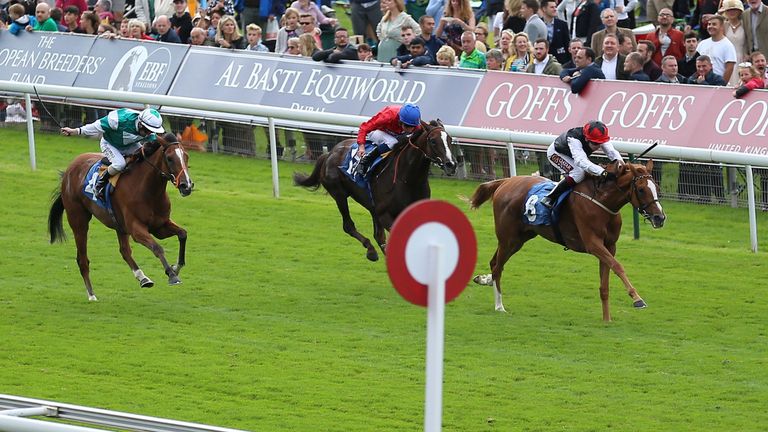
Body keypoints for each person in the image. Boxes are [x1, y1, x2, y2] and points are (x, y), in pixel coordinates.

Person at [60, 108, 166, 201]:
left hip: (130, 145)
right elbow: (95, 126)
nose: (149, 134)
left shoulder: (149, 129)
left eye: (151, 131)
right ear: (140, 124)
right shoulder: (118, 120)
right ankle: (100, 183)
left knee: (145, 161)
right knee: (120, 164)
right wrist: (75, 131)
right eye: (147, 130)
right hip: (110, 144)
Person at [540, 120, 624, 209]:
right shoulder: (574, 139)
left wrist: (622, 165)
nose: (598, 146)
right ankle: (550, 197)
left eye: (600, 143)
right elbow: (580, 161)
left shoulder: (600, 136)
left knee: (586, 172)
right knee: (578, 174)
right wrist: (603, 172)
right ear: (586, 139)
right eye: (595, 143)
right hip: (557, 154)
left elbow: (612, 152)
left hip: (574, 155)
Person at [355, 104, 422, 176]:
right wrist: (361, 146)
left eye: (413, 127)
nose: (410, 129)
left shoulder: (414, 122)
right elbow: (364, 127)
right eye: (407, 126)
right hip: (377, 131)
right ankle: (365, 161)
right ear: (400, 121)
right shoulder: (388, 116)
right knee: (393, 142)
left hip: (394, 134)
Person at [696, 14, 738, 83]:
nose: (711, 26)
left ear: (721, 27)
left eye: (714, 24)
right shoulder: (702, 44)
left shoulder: (728, 45)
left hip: (717, 84)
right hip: (701, 83)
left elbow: (729, 68)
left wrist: (721, 86)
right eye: (709, 24)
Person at [540, 0, 571, 65]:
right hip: (542, 60)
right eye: (552, 7)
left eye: (555, 7)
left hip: (560, 61)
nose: (555, 9)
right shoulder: (538, 24)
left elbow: (567, 44)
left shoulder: (562, 24)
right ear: (544, 9)